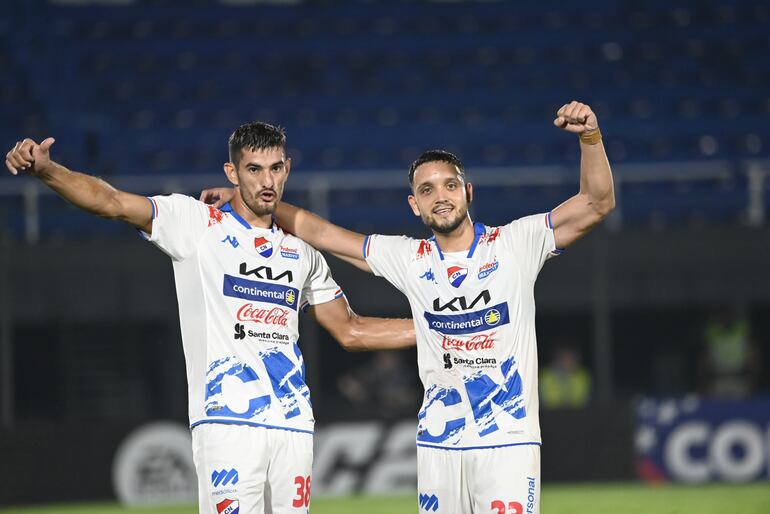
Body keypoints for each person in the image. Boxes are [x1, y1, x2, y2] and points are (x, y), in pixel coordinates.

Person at [202, 101, 615, 513]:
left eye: (450, 185)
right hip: (438, 442)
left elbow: (596, 203)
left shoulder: (514, 245)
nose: (441, 197)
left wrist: (590, 138)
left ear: (468, 193)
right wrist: (247, 200)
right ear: (414, 205)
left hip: (507, 440)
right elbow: (325, 234)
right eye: (427, 190)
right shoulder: (411, 258)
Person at [4, 122, 416, 514]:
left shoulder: (303, 254)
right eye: (253, 169)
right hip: (227, 423)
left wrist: (435, 330)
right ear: (231, 172)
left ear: (287, 169)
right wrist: (48, 171)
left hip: (293, 427)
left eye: (275, 169)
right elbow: (111, 202)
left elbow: (351, 330)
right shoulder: (198, 224)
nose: (266, 181)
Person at [539, 344, 591, 409]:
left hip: (577, 415)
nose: (568, 362)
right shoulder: (546, 376)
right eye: (564, 358)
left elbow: (581, 401)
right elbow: (546, 401)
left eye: (571, 359)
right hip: (550, 415)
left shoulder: (582, 376)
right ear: (556, 359)